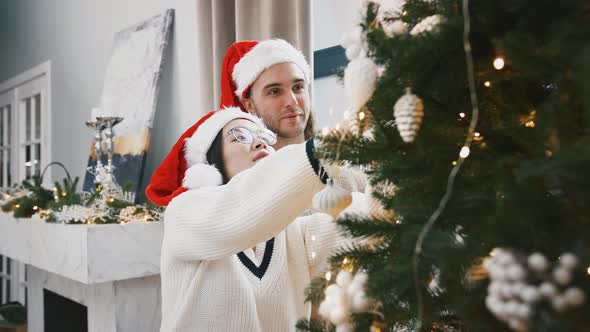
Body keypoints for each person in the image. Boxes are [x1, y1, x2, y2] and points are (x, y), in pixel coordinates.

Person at [145, 107, 366, 331]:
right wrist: (328, 149)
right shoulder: (184, 212)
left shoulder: (294, 231)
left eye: (265, 137)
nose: (260, 143)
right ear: (210, 161)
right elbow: (245, 205)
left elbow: (363, 225)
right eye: (240, 136)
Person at [218, 39, 315, 150]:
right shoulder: (245, 168)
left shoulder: (335, 158)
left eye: (298, 87)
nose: (292, 101)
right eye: (274, 91)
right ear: (250, 106)